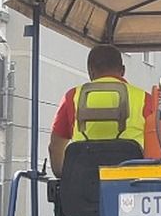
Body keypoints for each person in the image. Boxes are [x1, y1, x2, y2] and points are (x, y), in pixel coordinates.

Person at [48, 43, 152, 177]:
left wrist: (64, 178)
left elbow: (55, 148)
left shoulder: (73, 97)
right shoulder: (144, 99)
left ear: (90, 71)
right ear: (123, 70)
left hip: (82, 187)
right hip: (130, 184)